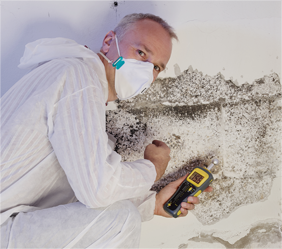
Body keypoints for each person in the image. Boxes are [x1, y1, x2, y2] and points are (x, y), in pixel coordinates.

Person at [0, 13, 212, 248]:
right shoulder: (78, 78)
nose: (146, 71)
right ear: (109, 42)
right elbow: (97, 190)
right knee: (121, 221)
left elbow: (81, 185)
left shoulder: (78, 87)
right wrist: (153, 168)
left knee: (119, 216)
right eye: (141, 53)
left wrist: (151, 204)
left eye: (156, 68)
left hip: (11, 225)